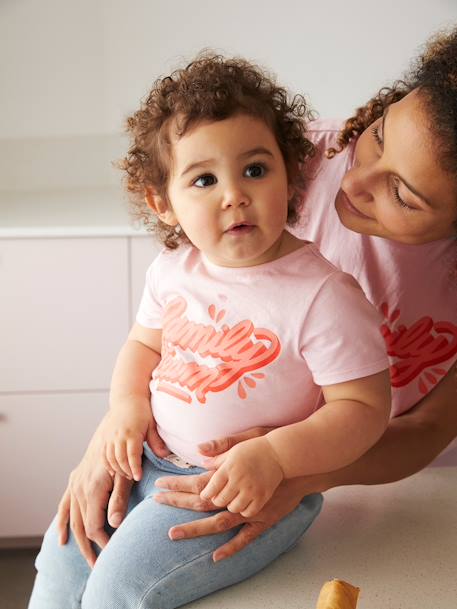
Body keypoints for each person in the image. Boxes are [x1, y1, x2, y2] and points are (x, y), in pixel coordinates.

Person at [28, 55, 391, 609]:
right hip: (151, 458)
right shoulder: (174, 267)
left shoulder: (323, 296)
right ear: (163, 203)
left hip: (246, 487)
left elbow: (365, 407)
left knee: (118, 589)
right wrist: (125, 409)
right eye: (203, 179)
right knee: (61, 554)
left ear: (290, 175)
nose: (233, 195)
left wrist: (276, 455)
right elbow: (143, 345)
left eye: (255, 169)